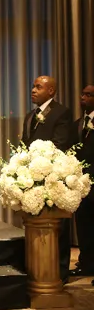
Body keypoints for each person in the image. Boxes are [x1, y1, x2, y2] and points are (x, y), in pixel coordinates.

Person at [21, 75, 73, 284]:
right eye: (33, 86)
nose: (33, 90)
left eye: (38, 87)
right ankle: (38, 267)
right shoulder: (30, 115)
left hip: (53, 176)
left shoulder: (61, 112)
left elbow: (60, 143)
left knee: (58, 224)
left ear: (51, 91)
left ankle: (60, 271)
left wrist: (41, 162)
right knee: (36, 221)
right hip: (32, 177)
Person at [70, 85, 94, 277]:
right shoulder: (77, 124)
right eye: (82, 94)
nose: (83, 97)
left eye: (88, 95)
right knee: (84, 226)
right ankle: (86, 264)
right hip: (81, 184)